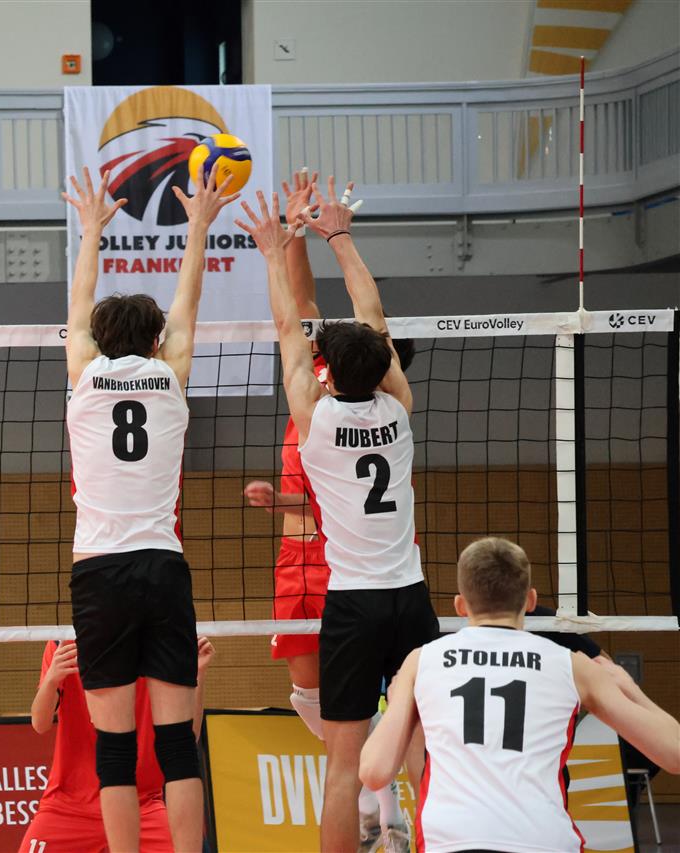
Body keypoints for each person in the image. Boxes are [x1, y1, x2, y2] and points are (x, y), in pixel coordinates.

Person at [236, 179, 439, 852]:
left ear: (330, 372)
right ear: (385, 364)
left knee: (342, 770)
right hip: (410, 597)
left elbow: (289, 330)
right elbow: (370, 310)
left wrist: (274, 252)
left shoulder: (315, 423)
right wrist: (340, 236)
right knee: (425, 756)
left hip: (352, 603)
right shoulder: (400, 411)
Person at [63, 165, 237, 853]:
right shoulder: (172, 375)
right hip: (163, 567)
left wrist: (92, 231)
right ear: (158, 341)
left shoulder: (83, 374)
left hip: (99, 572)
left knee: (114, 746)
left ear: (98, 340)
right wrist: (198, 227)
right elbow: (187, 305)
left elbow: (79, 306)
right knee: (176, 742)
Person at [360, 538, 680, 852]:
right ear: (530, 600)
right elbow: (675, 754)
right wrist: (630, 687)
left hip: (450, 840)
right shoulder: (573, 665)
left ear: (460, 605)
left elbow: (374, 772)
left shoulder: (422, 660)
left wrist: (400, 698)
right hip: (542, 839)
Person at [19, 636, 214, 853]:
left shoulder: (161, 647)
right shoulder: (63, 644)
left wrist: (198, 674)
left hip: (142, 806)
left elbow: (188, 737)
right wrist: (51, 680)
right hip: (68, 806)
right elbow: (40, 723)